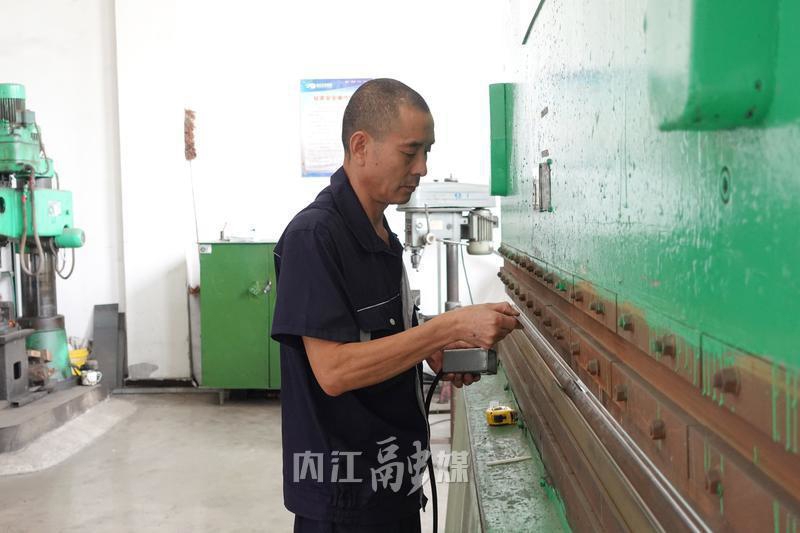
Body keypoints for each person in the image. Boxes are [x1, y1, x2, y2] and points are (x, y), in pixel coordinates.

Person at [271, 78, 521, 533]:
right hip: (344, 497)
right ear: (360, 146)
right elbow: (334, 371)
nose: (422, 167)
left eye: (427, 151)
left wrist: (431, 351)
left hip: (391, 480)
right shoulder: (315, 237)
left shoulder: (381, 236)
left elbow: (379, 336)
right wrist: (446, 328)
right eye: (410, 153)